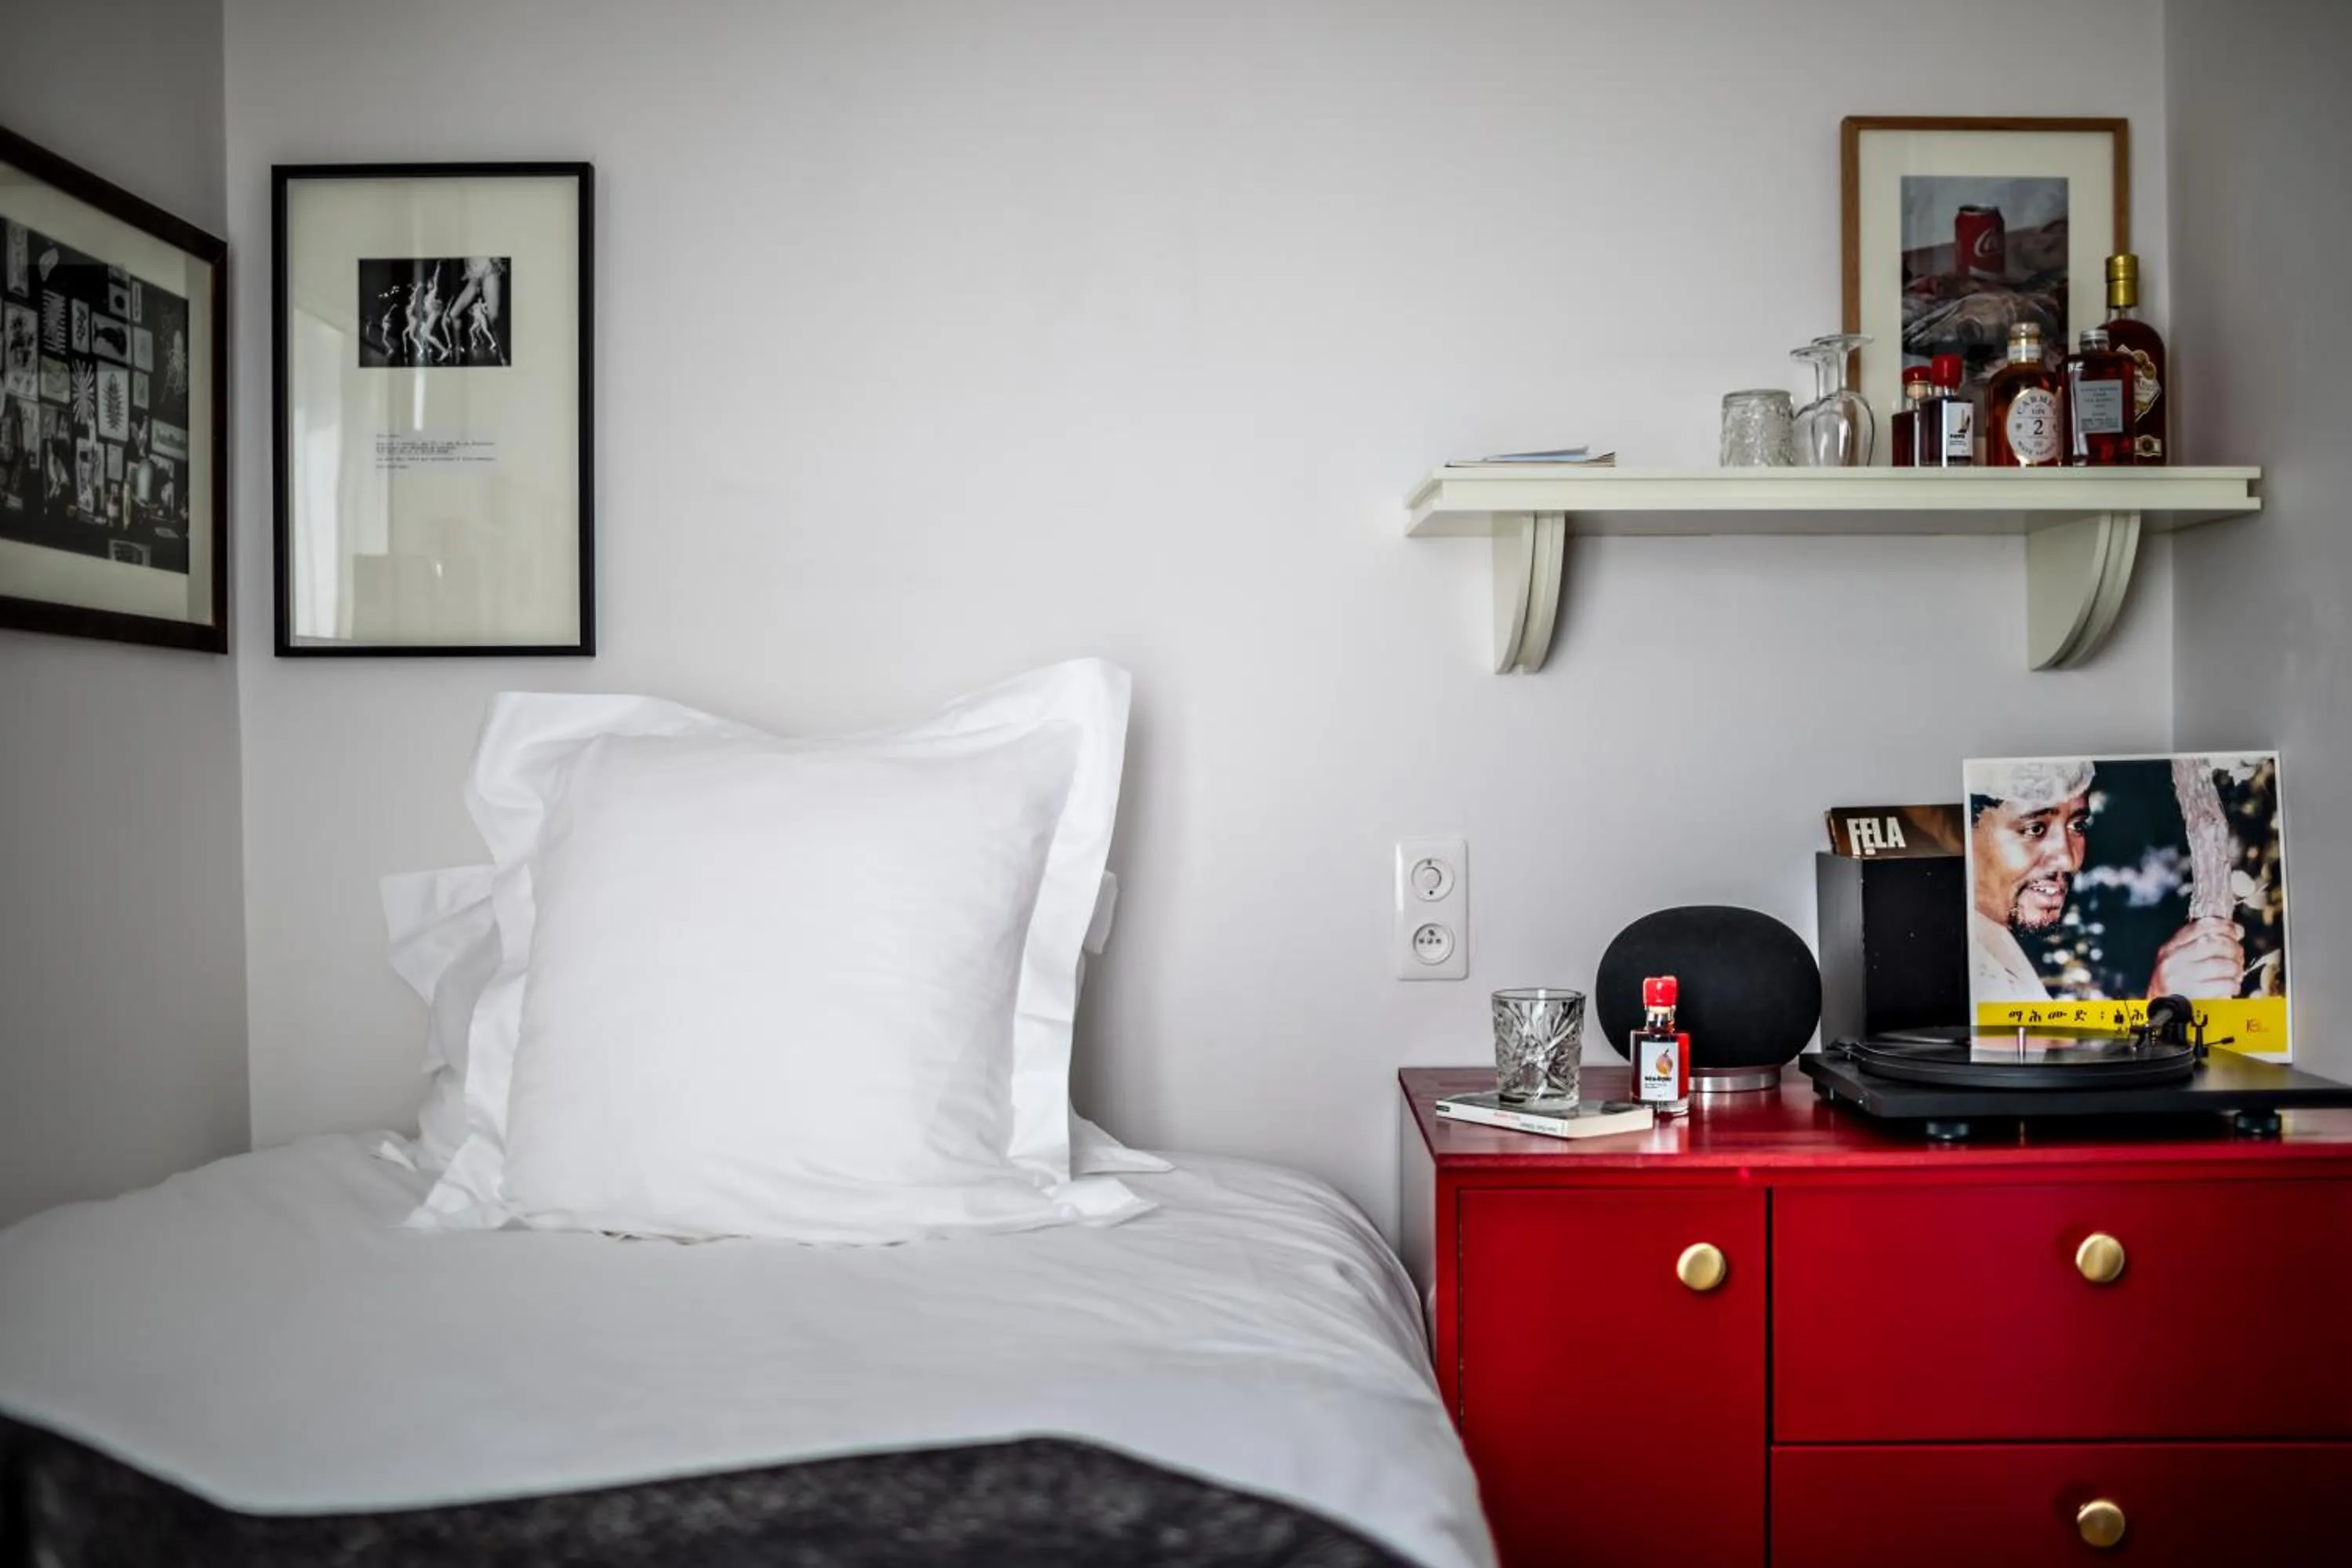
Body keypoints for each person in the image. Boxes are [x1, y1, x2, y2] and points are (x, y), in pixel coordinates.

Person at [1969, 759, 2245, 1004]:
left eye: (2077, 826)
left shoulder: (1995, 945)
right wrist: (2160, 1003)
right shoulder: (1972, 967)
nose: (2067, 860)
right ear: (1965, 831)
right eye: (2034, 829)